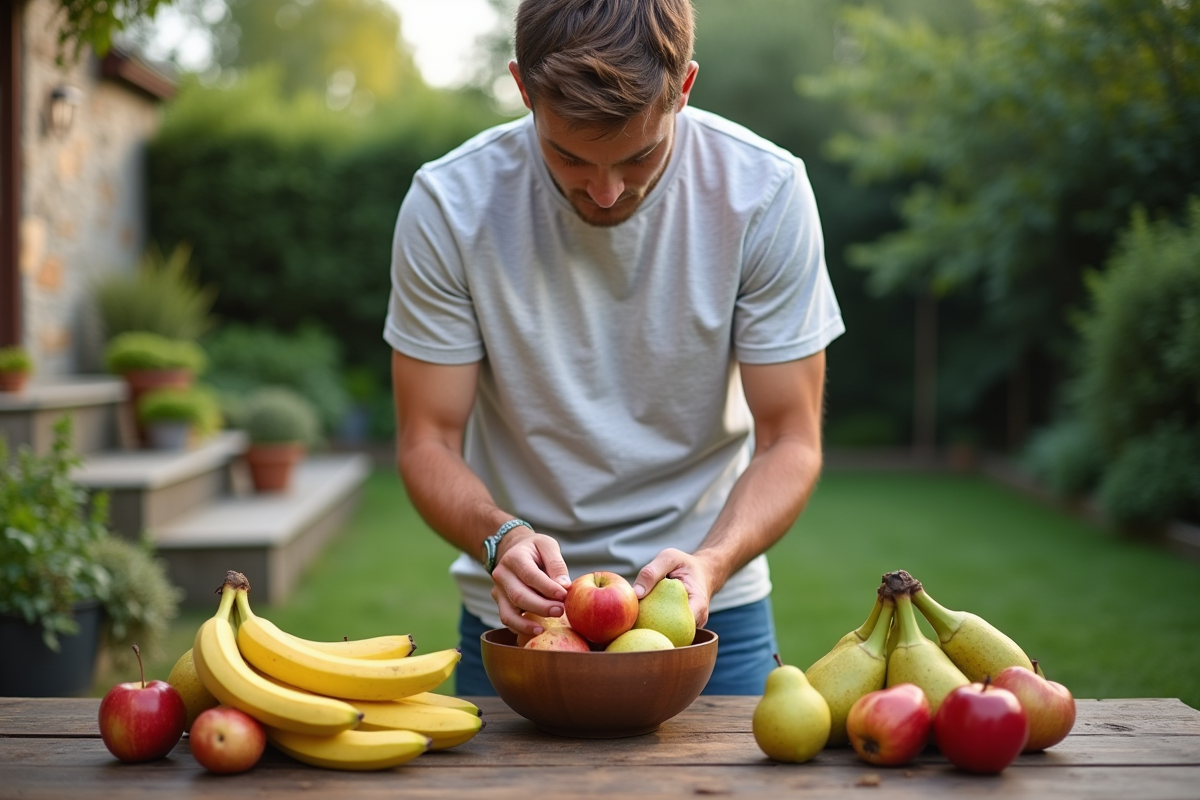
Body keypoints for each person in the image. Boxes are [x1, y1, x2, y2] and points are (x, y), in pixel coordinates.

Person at [383, 0, 843, 696]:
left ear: (683, 87)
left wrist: (712, 562)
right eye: (568, 154)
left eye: (640, 154)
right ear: (522, 88)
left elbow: (792, 440)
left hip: (713, 618)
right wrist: (496, 540)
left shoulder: (764, 193)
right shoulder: (450, 205)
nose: (605, 191)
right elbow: (427, 439)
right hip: (520, 624)